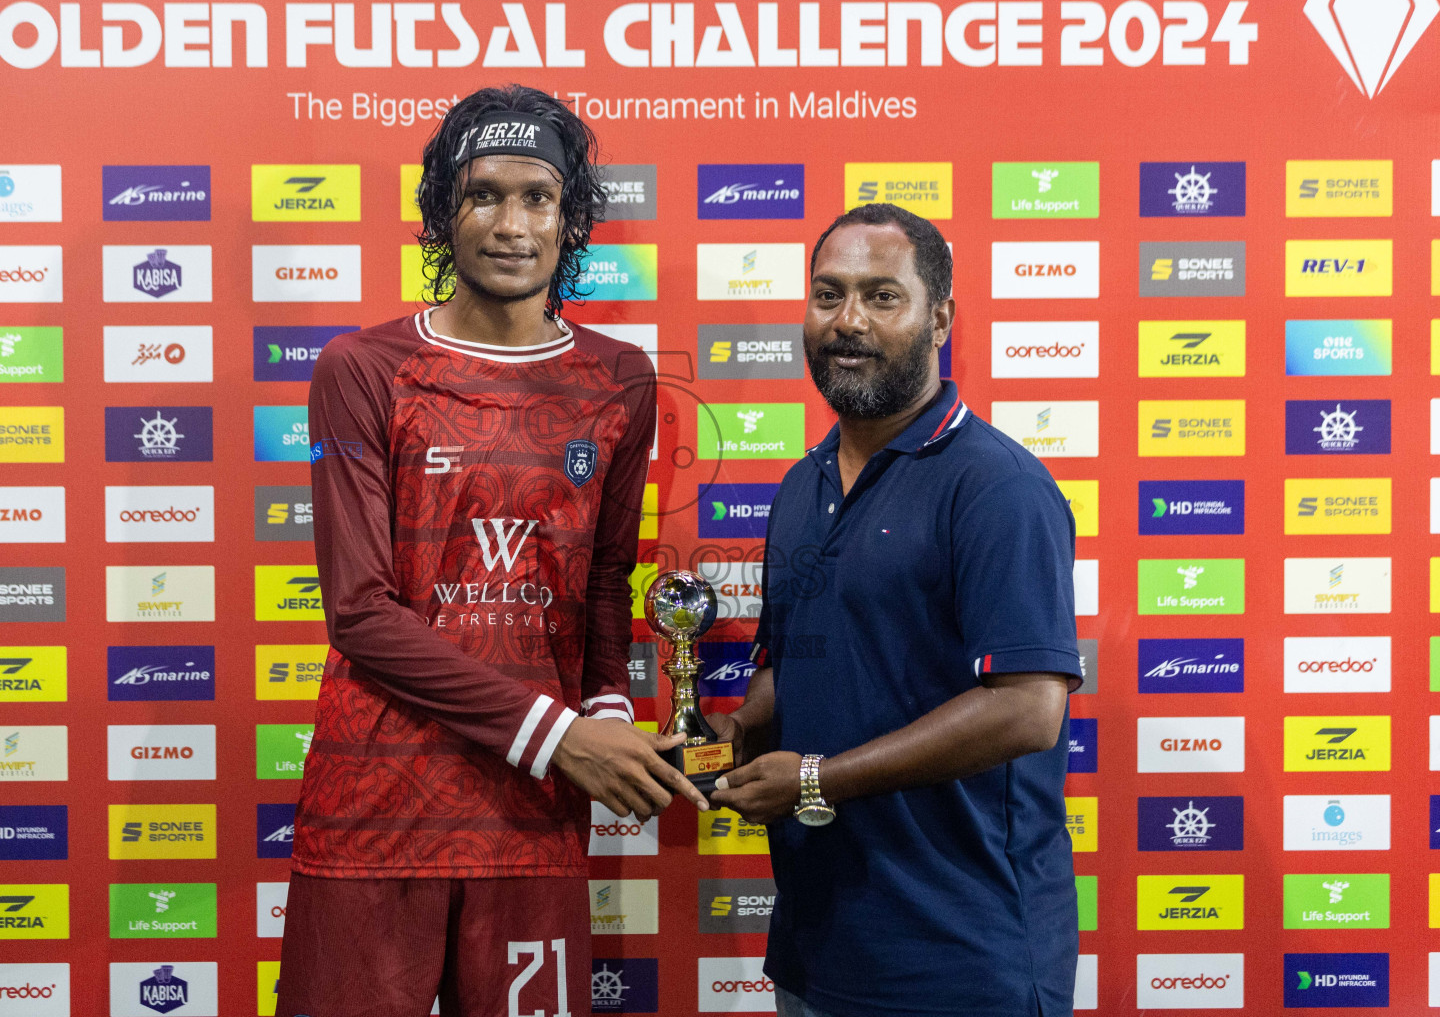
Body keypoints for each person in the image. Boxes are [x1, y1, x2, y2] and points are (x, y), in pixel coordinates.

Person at [277, 85, 706, 1017]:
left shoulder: (621, 379)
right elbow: (358, 613)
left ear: (571, 217)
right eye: (483, 195)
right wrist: (564, 738)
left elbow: (602, 581)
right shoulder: (363, 369)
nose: (511, 224)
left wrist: (605, 713)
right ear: (442, 212)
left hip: (531, 811)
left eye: (538, 197)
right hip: (376, 806)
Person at [708, 203, 1083, 1017]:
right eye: (827, 295)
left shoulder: (999, 487)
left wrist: (815, 779)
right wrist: (737, 736)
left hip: (962, 960)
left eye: (882, 297)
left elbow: (1028, 710)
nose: (848, 321)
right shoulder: (802, 486)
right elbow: (791, 664)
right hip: (816, 951)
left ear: (940, 316)